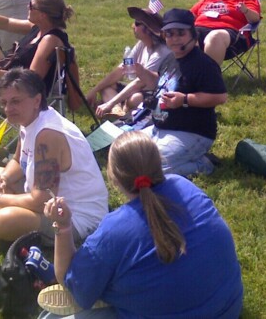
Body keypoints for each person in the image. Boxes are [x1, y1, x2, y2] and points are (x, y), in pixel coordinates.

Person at [38, 131, 242, 319]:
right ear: (159, 163)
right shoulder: (185, 186)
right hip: (228, 308)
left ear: (113, 178)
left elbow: (71, 284)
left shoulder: (113, 231)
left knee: (49, 317)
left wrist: (63, 226)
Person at [0, 68, 108, 251]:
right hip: (46, 199)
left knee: (0, 222)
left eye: (16, 101)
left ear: (36, 100)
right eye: (4, 103)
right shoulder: (29, 119)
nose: (8, 109)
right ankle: (6, 224)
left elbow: (40, 201)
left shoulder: (48, 134)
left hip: (76, 217)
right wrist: (3, 179)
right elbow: (18, 161)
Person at [126, 8, 227, 176]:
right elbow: (160, 82)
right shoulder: (171, 58)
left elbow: (220, 97)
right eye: (169, 34)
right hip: (158, 128)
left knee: (154, 169)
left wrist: (185, 100)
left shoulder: (203, 64)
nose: (174, 38)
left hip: (191, 133)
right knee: (125, 154)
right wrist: (141, 72)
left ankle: (203, 164)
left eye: (181, 33)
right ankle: (179, 158)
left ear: (192, 34)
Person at [0, 0, 73, 100]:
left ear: (42, 15)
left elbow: (31, 80)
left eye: (31, 6)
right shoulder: (39, 28)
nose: (27, 7)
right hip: (6, 78)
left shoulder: (49, 40)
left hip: (18, 93)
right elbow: (7, 23)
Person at [87, 6, 171, 118]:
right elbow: (122, 69)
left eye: (137, 23)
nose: (133, 26)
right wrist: (94, 90)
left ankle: (118, 107)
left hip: (151, 94)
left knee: (135, 99)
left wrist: (110, 103)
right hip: (136, 89)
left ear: (148, 29)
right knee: (106, 86)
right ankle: (118, 110)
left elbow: (139, 83)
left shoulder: (160, 53)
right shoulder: (142, 44)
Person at [191, 0, 261, 66]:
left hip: (230, 33)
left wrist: (245, 10)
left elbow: (255, 19)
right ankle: (187, 72)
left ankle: (210, 74)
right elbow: (191, 14)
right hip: (200, 28)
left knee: (215, 36)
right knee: (186, 35)